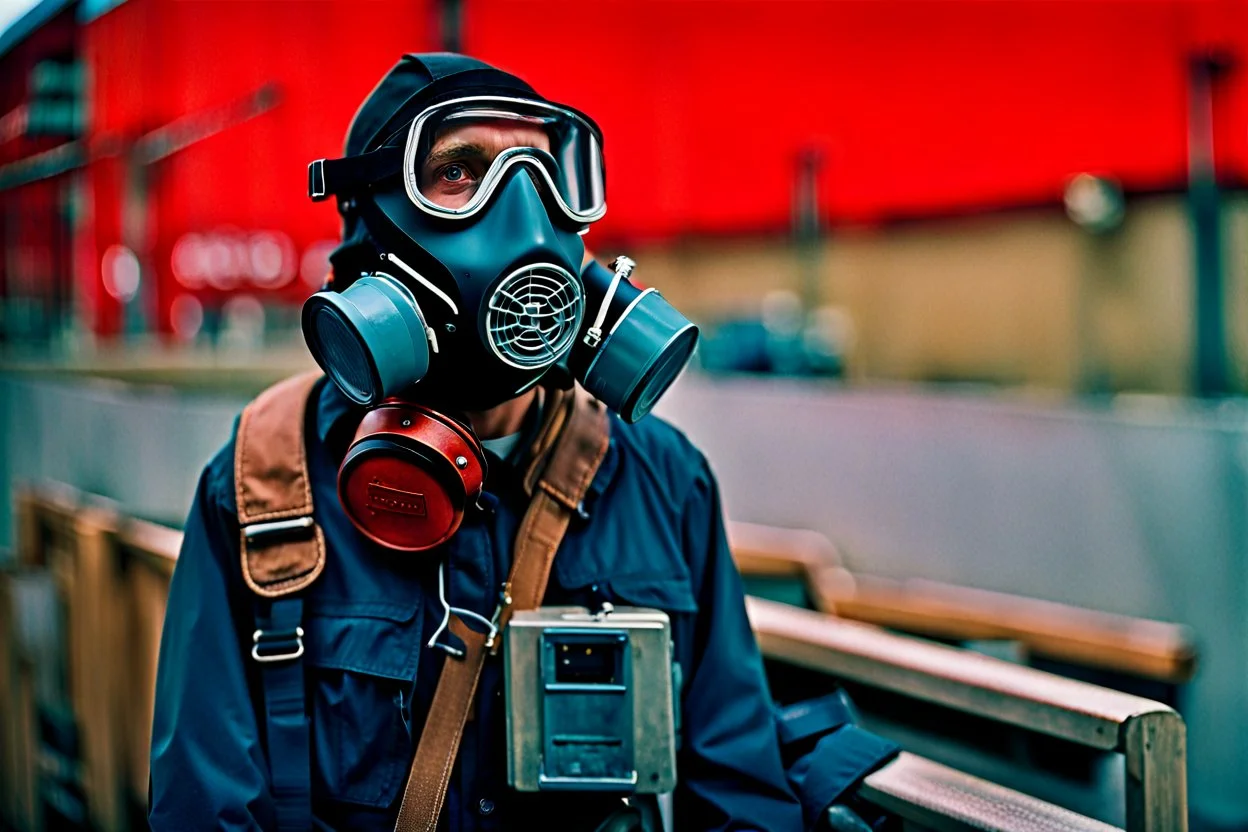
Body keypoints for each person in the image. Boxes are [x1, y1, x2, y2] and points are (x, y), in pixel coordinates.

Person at [150, 53, 894, 832]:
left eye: (541, 174)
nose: (525, 221)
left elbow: (740, 799)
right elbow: (203, 810)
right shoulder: (267, 482)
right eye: (462, 171)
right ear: (372, 231)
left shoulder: (663, 480)